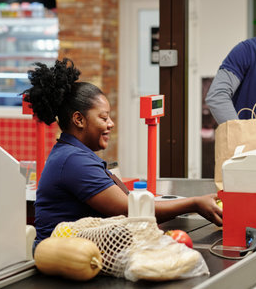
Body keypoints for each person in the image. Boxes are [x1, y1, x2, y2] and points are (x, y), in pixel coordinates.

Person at [23, 58, 223, 247]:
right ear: (79, 119)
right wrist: (194, 203)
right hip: (65, 260)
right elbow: (129, 210)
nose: (110, 124)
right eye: (103, 118)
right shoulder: (72, 160)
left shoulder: (73, 154)